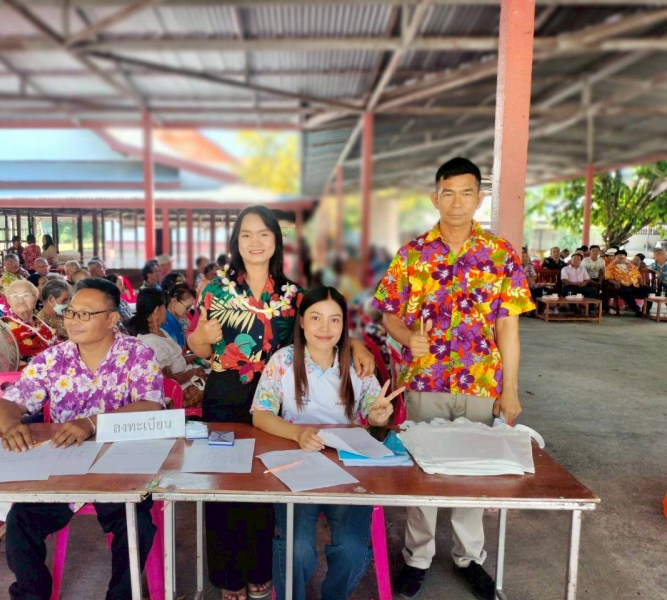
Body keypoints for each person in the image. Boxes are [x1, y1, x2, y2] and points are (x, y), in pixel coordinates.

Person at [188, 206, 375, 600]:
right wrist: (202, 337)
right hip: (225, 396)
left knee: (268, 486)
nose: (255, 242)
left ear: (276, 241)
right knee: (224, 486)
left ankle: (260, 570)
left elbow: (323, 328)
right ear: (236, 242)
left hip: (277, 400)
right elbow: (198, 346)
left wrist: (356, 344)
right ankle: (228, 576)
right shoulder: (214, 290)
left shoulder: (292, 294)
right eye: (246, 234)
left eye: (264, 234)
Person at [374, 157, 534, 600]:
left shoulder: (500, 254)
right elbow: (388, 313)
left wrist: (510, 389)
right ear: (435, 197)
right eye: (448, 193)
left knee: (474, 474)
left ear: (479, 199)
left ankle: (468, 557)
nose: (457, 202)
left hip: (480, 383)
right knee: (423, 470)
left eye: (466, 193)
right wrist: (407, 336)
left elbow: (508, 328)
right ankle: (417, 557)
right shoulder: (412, 254)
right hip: (426, 381)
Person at [0, 277, 163, 600]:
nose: (73, 320)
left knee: (136, 527)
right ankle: (31, 595)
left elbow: (151, 406)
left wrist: (91, 423)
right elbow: (7, 405)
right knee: (20, 522)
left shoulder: (137, 355)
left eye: (85, 314)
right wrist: (11, 425)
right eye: (70, 312)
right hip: (63, 467)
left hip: (121, 467)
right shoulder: (53, 359)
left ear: (111, 319)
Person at [252, 287, 400, 600]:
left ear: (344, 325)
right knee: (297, 547)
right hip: (296, 465)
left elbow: (373, 410)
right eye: (316, 318)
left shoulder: (356, 364)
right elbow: (261, 413)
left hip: (348, 466)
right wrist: (297, 434)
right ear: (301, 321)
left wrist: (378, 415)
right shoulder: (284, 360)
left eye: (334, 320)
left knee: (351, 547)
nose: (325, 327)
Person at [133, 288, 206, 409]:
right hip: (178, 393)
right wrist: (194, 372)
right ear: (156, 311)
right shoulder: (150, 343)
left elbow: (178, 358)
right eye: (164, 308)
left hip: (188, 381)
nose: (166, 312)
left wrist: (199, 354)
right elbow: (171, 380)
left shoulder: (160, 331)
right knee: (216, 391)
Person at [3, 279, 58, 367]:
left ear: (36, 298)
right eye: (15, 296)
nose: (20, 301)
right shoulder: (1, 326)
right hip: (21, 374)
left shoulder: (44, 324)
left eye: (26, 295)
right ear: (8, 300)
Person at [605, 250, 655, 317]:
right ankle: (637, 310)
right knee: (626, 291)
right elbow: (608, 278)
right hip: (621, 285)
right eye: (619, 256)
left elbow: (638, 275)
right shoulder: (610, 266)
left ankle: (646, 310)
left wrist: (640, 281)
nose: (621, 257)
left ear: (625, 257)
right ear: (615, 257)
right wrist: (614, 282)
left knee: (651, 290)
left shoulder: (630, 265)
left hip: (634, 284)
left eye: (623, 256)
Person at [163, 284, 195, 349]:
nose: (189, 311)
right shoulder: (164, 322)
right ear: (174, 301)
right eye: (187, 307)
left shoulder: (178, 319)